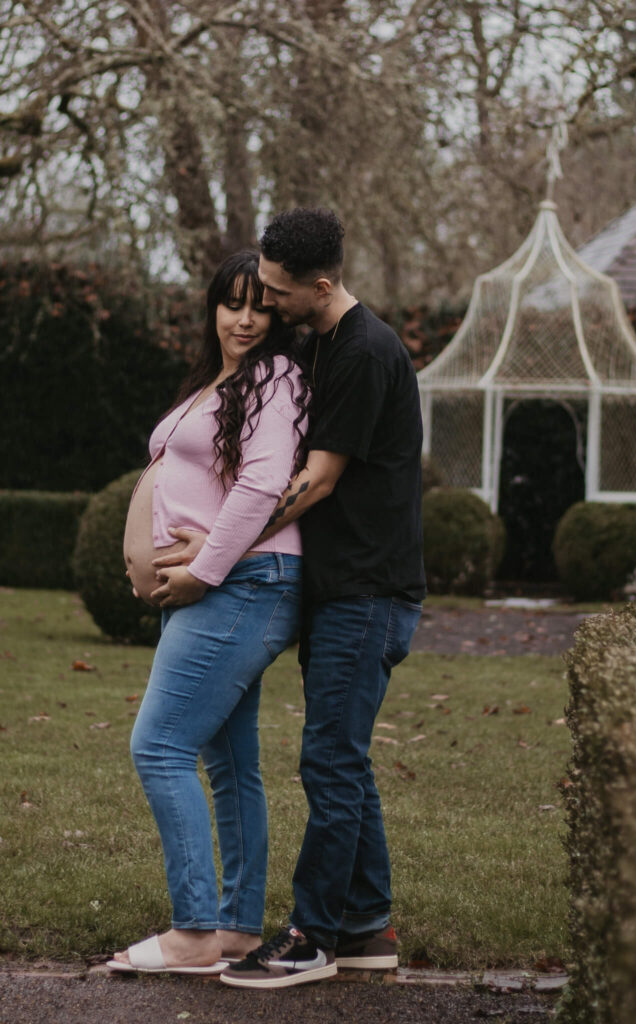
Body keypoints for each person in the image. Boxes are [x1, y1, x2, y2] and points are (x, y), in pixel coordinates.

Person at [217, 207, 426, 989]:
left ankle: (311, 936)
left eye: (276, 291)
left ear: (322, 284)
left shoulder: (366, 352)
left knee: (329, 762)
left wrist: (223, 547)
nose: (266, 304)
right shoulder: (325, 341)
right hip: (347, 591)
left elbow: (319, 478)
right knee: (345, 762)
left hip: (368, 594)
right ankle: (368, 927)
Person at [107, 249, 308, 975]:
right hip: (229, 585)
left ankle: (193, 934)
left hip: (243, 584)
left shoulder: (276, 379)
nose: (245, 318)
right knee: (229, 764)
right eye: (232, 303)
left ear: (276, 314)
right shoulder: (218, 381)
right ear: (213, 309)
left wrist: (200, 570)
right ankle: (235, 929)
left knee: (157, 747)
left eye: (260, 305)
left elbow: (261, 488)